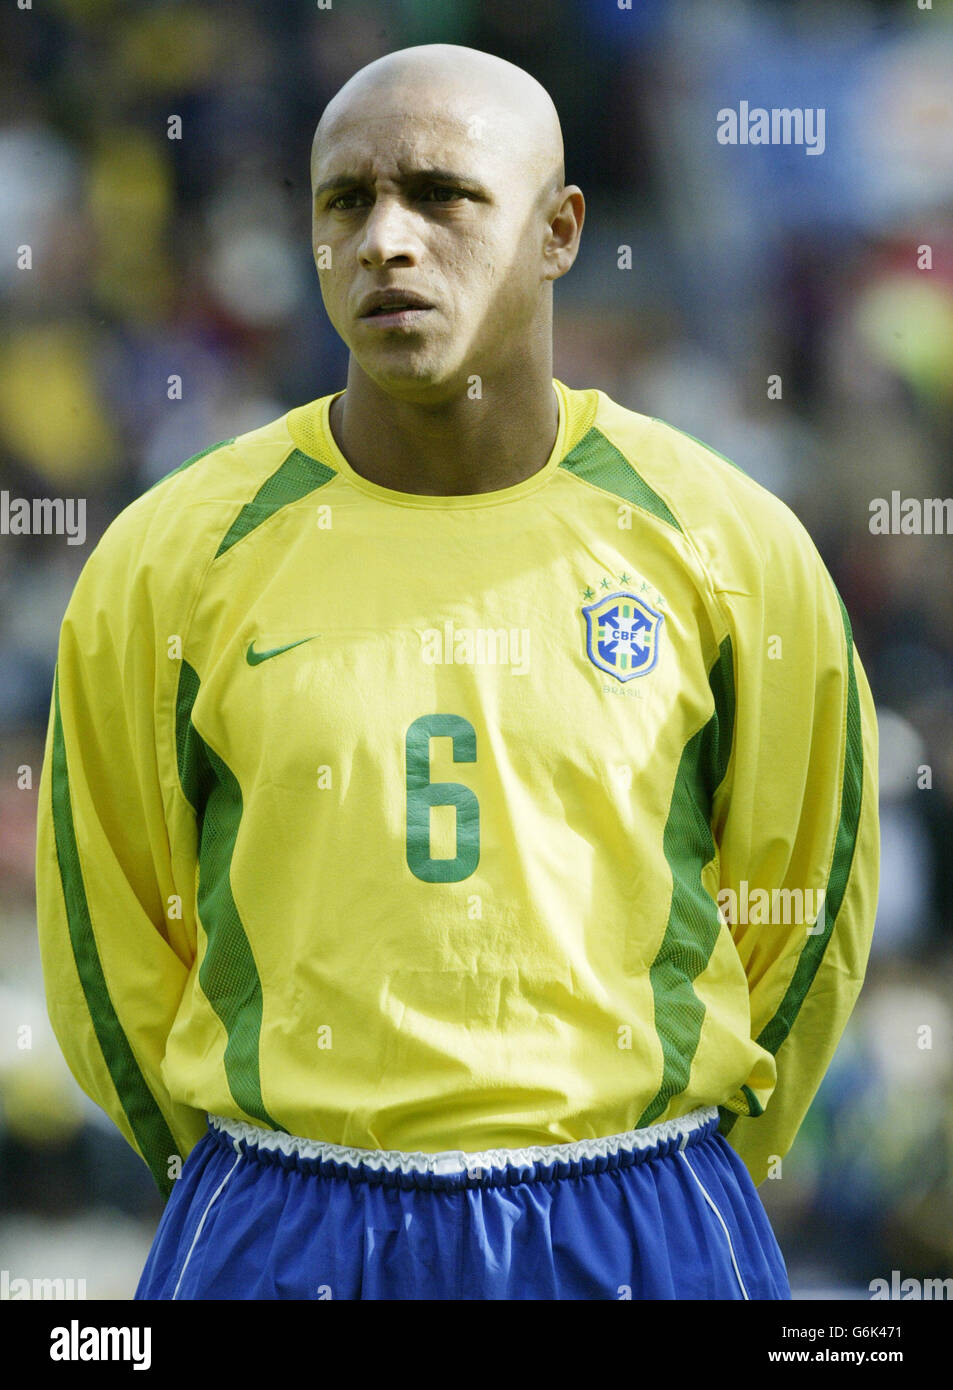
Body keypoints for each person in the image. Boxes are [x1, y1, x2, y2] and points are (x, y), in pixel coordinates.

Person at [35, 43, 879, 1301]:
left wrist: (662, 1162)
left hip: (639, 1216)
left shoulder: (727, 545)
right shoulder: (172, 557)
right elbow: (112, 943)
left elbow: (801, 913)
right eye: (344, 201)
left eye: (440, 194)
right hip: (285, 1223)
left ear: (558, 230)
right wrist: (261, 1173)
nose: (385, 239)